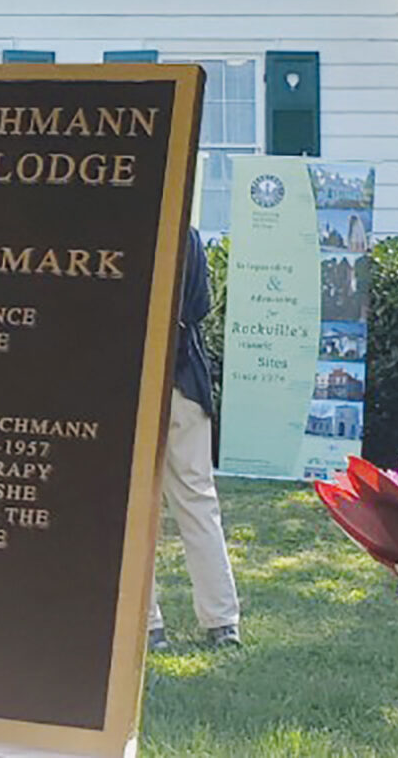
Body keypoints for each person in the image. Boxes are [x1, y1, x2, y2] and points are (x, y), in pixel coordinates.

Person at [151, 227, 240, 649]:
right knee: (199, 502)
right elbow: (201, 305)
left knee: (134, 508)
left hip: (139, 384)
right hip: (186, 379)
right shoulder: (187, 234)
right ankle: (223, 622)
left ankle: (147, 623)